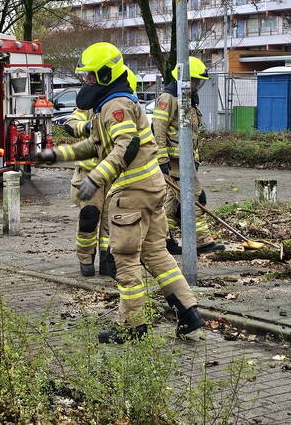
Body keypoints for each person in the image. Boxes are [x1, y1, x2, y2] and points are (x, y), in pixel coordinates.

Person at [41, 43, 205, 343]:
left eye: (90, 77)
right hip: (150, 187)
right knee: (157, 254)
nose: (86, 82)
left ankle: (132, 327)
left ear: (105, 74)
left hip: (130, 192)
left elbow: (125, 147)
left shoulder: (115, 106)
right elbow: (96, 145)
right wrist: (57, 155)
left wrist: (97, 177)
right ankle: (189, 312)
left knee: (126, 258)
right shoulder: (115, 102)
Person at [64, 68, 138, 278]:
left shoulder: (122, 106)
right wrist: (89, 126)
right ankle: (85, 258)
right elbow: (70, 123)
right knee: (89, 217)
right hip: (89, 172)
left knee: (111, 221)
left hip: (113, 174)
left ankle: (108, 260)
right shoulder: (92, 102)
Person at [151, 56, 218, 254]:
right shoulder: (168, 98)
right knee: (195, 197)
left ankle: (166, 240)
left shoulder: (186, 98)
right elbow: (159, 129)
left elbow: (190, 133)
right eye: (195, 81)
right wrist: (161, 158)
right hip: (174, 161)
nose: (198, 85)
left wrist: (194, 159)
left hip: (185, 160)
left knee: (171, 202)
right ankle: (202, 240)